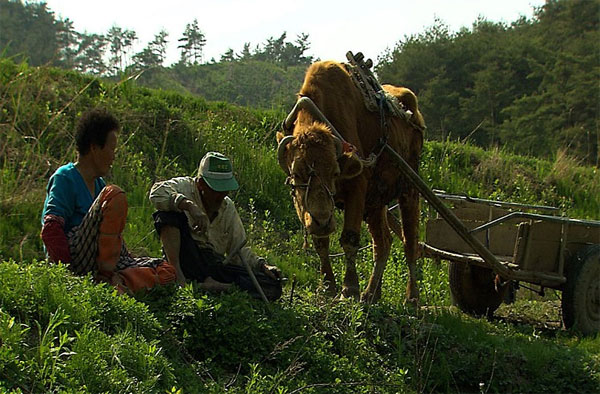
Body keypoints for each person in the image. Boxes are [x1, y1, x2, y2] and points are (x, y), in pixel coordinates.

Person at [40, 108, 176, 293]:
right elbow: (51, 229)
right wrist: (66, 276)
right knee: (114, 194)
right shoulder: (65, 177)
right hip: (74, 260)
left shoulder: (98, 184)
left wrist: (126, 258)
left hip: (98, 261)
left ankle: (115, 282)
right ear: (94, 147)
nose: (113, 156)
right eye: (111, 149)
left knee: (166, 271)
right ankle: (105, 278)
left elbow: (108, 236)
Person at [149, 151, 282, 300]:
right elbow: (156, 192)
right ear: (201, 184)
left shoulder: (227, 207)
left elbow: (238, 249)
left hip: (212, 263)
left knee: (272, 286)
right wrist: (188, 205)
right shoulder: (184, 187)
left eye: (224, 189)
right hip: (185, 255)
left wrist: (262, 266)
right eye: (216, 190)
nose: (221, 195)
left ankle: (208, 286)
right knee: (167, 215)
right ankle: (179, 279)